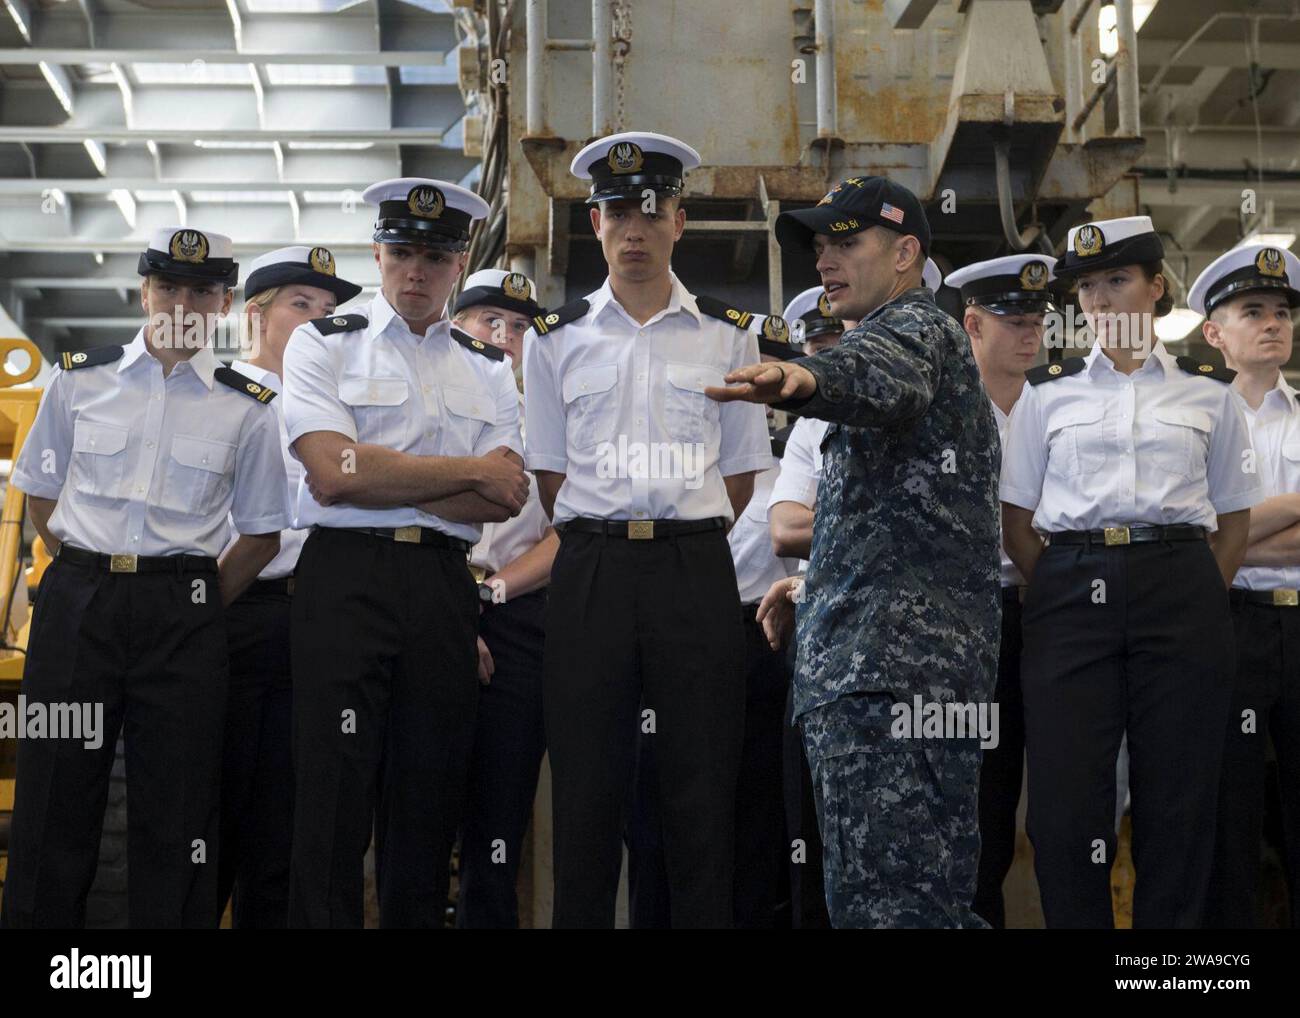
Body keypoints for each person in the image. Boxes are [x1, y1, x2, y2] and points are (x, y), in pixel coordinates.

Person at [708, 175, 1001, 929]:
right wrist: (815, 584)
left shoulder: (914, 330)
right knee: (908, 904)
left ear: (906, 252)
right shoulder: (909, 336)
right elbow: (909, 518)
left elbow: (871, 374)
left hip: (894, 686)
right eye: (820, 247)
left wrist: (798, 377)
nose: (825, 261)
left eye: (846, 242)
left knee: (893, 911)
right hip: (889, 674)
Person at [1, 227, 290, 928]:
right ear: (144, 292)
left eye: (200, 291)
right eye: (168, 287)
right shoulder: (78, 378)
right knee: (54, 797)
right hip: (79, 607)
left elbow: (260, 532)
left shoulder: (246, 406)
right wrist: (87, 570)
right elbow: (42, 493)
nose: (181, 304)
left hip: (183, 613)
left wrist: (191, 607)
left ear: (224, 303)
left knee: (180, 808)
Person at [523, 131, 772, 928]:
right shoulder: (551, 340)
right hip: (591, 571)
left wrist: (673, 527)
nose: (634, 227)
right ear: (593, 224)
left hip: (695, 572)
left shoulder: (730, 334)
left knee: (701, 796)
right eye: (616, 210)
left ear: (680, 221)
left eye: (651, 210)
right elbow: (552, 474)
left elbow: (737, 476)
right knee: (587, 799)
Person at [999, 215, 1262, 928]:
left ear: (1156, 288)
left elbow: (1233, 517)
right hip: (1069, 587)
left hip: (1180, 584)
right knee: (1064, 808)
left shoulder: (1210, 390)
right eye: (1088, 289)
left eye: (1117, 281)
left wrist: (1200, 590)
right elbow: (1017, 521)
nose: (1102, 302)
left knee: (1177, 801)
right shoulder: (1045, 392)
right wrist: (1061, 587)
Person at [282, 178, 529, 929]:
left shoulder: (485, 366)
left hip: (441, 588)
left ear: (458, 264)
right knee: (330, 801)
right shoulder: (321, 341)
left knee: (427, 803)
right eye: (402, 253)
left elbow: (508, 495)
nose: (415, 271)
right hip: (344, 582)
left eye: (433, 255)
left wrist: (380, 471)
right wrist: (465, 473)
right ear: (377, 253)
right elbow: (330, 473)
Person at [216, 245, 363, 928]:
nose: (316, 320)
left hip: (313, 624)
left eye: (329, 311)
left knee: (288, 821)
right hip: (228, 614)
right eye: (300, 305)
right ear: (255, 315)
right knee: (207, 811)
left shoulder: (338, 406)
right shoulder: (214, 393)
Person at [943, 253, 1057, 928]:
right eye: (1013, 321)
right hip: (967, 625)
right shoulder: (941, 416)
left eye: (1037, 321)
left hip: (1050, 619)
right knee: (978, 808)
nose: (1030, 334)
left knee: (1063, 799)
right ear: (973, 325)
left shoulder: (1062, 407)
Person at [1193, 243, 1300, 927]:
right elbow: (1198, 545)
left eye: (1283, 312)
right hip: (1227, 623)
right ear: (1214, 333)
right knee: (1226, 809)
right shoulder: (1192, 426)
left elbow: (1219, 533)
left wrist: (1236, 530)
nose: (1273, 323)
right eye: (1253, 311)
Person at [451, 268, 560, 929]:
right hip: (424, 607)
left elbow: (568, 536)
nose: (504, 335)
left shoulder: (546, 426)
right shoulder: (417, 405)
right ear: (454, 325)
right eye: (488, 319)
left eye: (519, 326)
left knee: (499, 818)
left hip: (517, 619)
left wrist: (490, 594)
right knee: (412, 808)